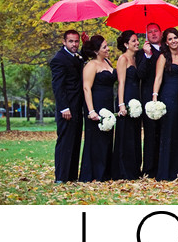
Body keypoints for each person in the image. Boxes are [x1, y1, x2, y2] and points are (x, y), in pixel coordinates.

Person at [152, 28, 178, 180]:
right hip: (168, 96)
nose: (174, 41)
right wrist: (155, 97)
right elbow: (158, 78)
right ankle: (166, 171)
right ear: (166, 42)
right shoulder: (163, 57)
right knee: (168, 132)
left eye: (175, 38)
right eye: (170, 39)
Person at [79, 35, 116, 182]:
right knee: (96, 140)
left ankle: (105, 172)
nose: (107, 49)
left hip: (108, 103)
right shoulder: (91, 65)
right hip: (96, 104)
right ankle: (93, 173)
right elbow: (86, 88)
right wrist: (91, 111)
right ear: (96, 51)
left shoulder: (107, 62)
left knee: (107, 138)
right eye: (104, 47)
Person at [49, 29, 84, 183]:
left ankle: (71, 176)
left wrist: (86, 42)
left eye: (76, 41)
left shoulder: (76, 57)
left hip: (77, 107)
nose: (74, 44)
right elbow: (58, 86)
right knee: (65, 142)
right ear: (64, 42)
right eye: (71, 41)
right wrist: (64, 107)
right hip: (67, 109)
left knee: (75, 141)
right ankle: (61, 177)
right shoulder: (59, 59)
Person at [112, 29, 142, 180]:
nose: (137, 43)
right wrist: (121, 105)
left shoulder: (137, 58)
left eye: (137, 40)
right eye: (133, 41)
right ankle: (123, 170)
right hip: (127, 97)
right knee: (125, 135)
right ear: (125, 44)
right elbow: (121, 83)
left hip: (137, 98)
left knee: (135, 135)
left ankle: (135, 169)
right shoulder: (123, 59)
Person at [137, 22, 162, 177]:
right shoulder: (142, 53)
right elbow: (140, 74)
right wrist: (147, 56)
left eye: (155, 31)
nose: (153, 34)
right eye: (150, 31)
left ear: (161, 32)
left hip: (166, 95)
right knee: (151, 133)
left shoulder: (167, 50)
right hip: (149, 97)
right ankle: (149, 169)